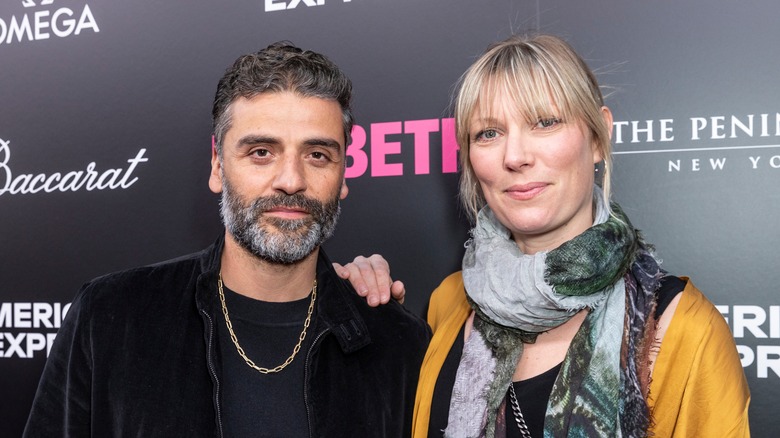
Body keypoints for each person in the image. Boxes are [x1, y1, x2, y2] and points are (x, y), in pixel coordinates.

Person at [343, 34, 750, 437]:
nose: (515, 156)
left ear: (598, 136)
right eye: (488, 133)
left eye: (545, 122)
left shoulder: (682, 328)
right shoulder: (448, 303)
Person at [23, 42, 430, 437]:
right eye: (261, 152)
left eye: (317, 155)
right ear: (218, 165)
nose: (291, 181)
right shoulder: (110, 319)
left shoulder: (398, 345)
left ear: (343, 175)